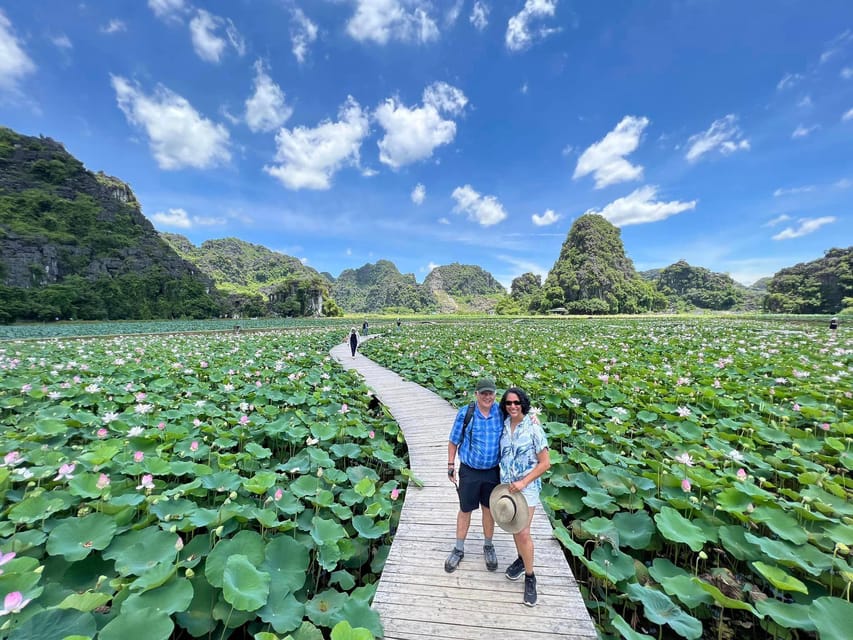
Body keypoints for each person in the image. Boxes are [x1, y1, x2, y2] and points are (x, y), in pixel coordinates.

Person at [498, 386, 551, 607]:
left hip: (526, 486)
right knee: (513, 526)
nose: (512, 406)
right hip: (507, 486)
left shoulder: (534, 429)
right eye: (509, 403)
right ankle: (521, 560)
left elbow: (545, 463)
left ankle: (530, 577)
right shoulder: (503, 425)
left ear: (523, 404)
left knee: (523, 531)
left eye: (516, 403)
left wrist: (523, 482)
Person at [445, 378, 503, 574]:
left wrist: (533, 418)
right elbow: (454, 441)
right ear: (476, 394)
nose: (488, 397)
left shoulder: (501, 412)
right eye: (483, 393)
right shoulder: (466, 413)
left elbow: (520, 419)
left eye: (491, 393)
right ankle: (458, 548)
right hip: (469, 470)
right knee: (465, 509)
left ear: (495, 394)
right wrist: (451, 465)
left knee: (489, 509)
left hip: (493, 471)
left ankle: (488, 545)